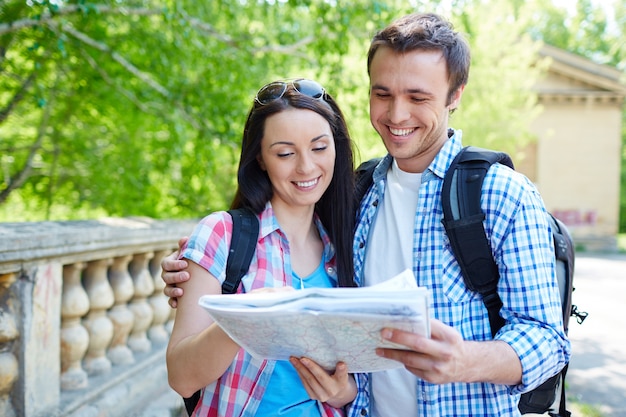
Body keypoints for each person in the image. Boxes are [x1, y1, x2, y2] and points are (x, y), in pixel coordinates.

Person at [163, 13, 571, 417]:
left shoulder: (502, 194)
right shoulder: (356, 196)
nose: (396, 115)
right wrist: (201, 272)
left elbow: (549, 342)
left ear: (455, 94)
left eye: (417, 97)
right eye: (383, 94)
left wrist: (465, 360)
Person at [165, 78, 359, 417]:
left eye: (319, 148)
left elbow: (357, 376)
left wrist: (344, 391)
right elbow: (182, 377)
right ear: (260, 159)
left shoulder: (346, 244)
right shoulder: (222, 234)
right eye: (285, 153)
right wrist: (250, 318)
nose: (306, 167)